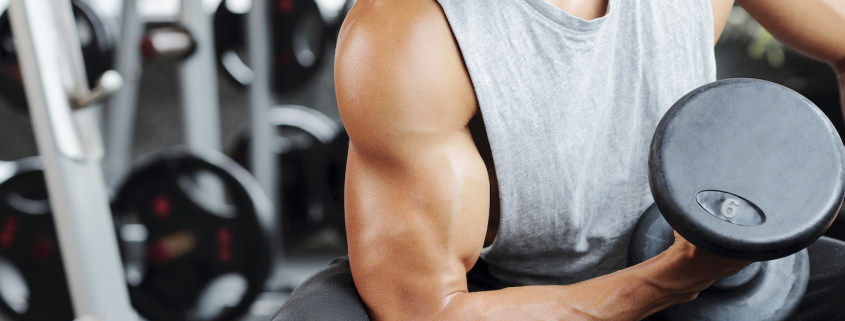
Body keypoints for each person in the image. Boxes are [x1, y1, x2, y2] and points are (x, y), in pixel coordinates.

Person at [274, 0, 845, 320]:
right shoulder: (412, 34)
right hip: (498, 294)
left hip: (688, 248)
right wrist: (667, 282)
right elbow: (428, 312)